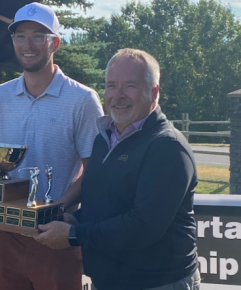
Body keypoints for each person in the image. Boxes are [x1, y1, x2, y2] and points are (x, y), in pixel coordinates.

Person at [36, 48, 200, 290]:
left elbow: (143, 227)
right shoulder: (104, 139)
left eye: (130, 86)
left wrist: (73, 234)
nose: (118, 95)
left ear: (154, 92)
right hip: (110, 280)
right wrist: (74, 219)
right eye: (112, 85)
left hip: (158, 283)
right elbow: (107, 204)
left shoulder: (167, 147)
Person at [0, 3, 104, 290]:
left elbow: (95, 171)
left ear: (56, 43)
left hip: (55, 235)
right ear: (13, 41)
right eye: (20, 35)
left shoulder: (83, 99)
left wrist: (54, 208)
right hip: (8, 233)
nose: (28, 44)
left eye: (39, 36)